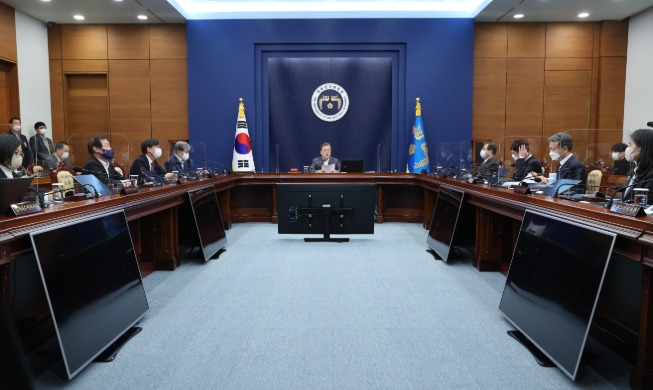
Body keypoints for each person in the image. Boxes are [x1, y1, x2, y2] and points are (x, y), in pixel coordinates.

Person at [623, 129, 653, 201]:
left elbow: (646, 203)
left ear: (642, 147)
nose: (627, 149)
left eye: (630, 145)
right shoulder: (632, 172)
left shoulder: (651, 175)